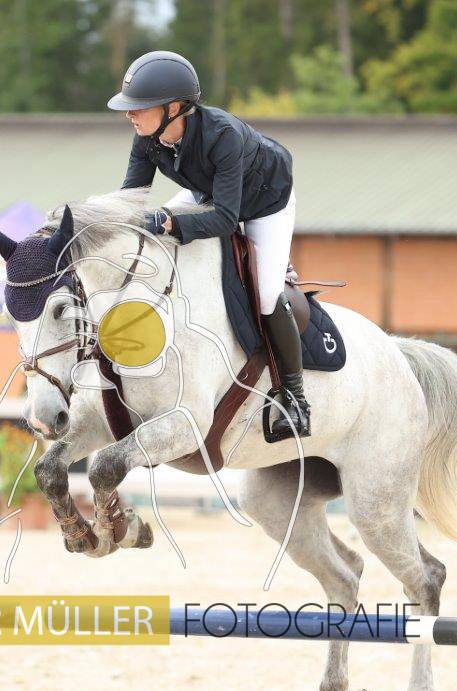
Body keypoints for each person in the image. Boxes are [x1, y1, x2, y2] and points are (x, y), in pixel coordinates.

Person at [107, 49, 308, 441]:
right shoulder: (147, 138)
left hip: (265, 201)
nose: (130, 114)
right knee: (153, 233)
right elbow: (131, 200)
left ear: (174, 108)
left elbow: (225, 220)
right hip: (209, 192)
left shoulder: (223, 135)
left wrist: (167, 221)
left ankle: (294, 397)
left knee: (268, 296)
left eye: (139, 107)